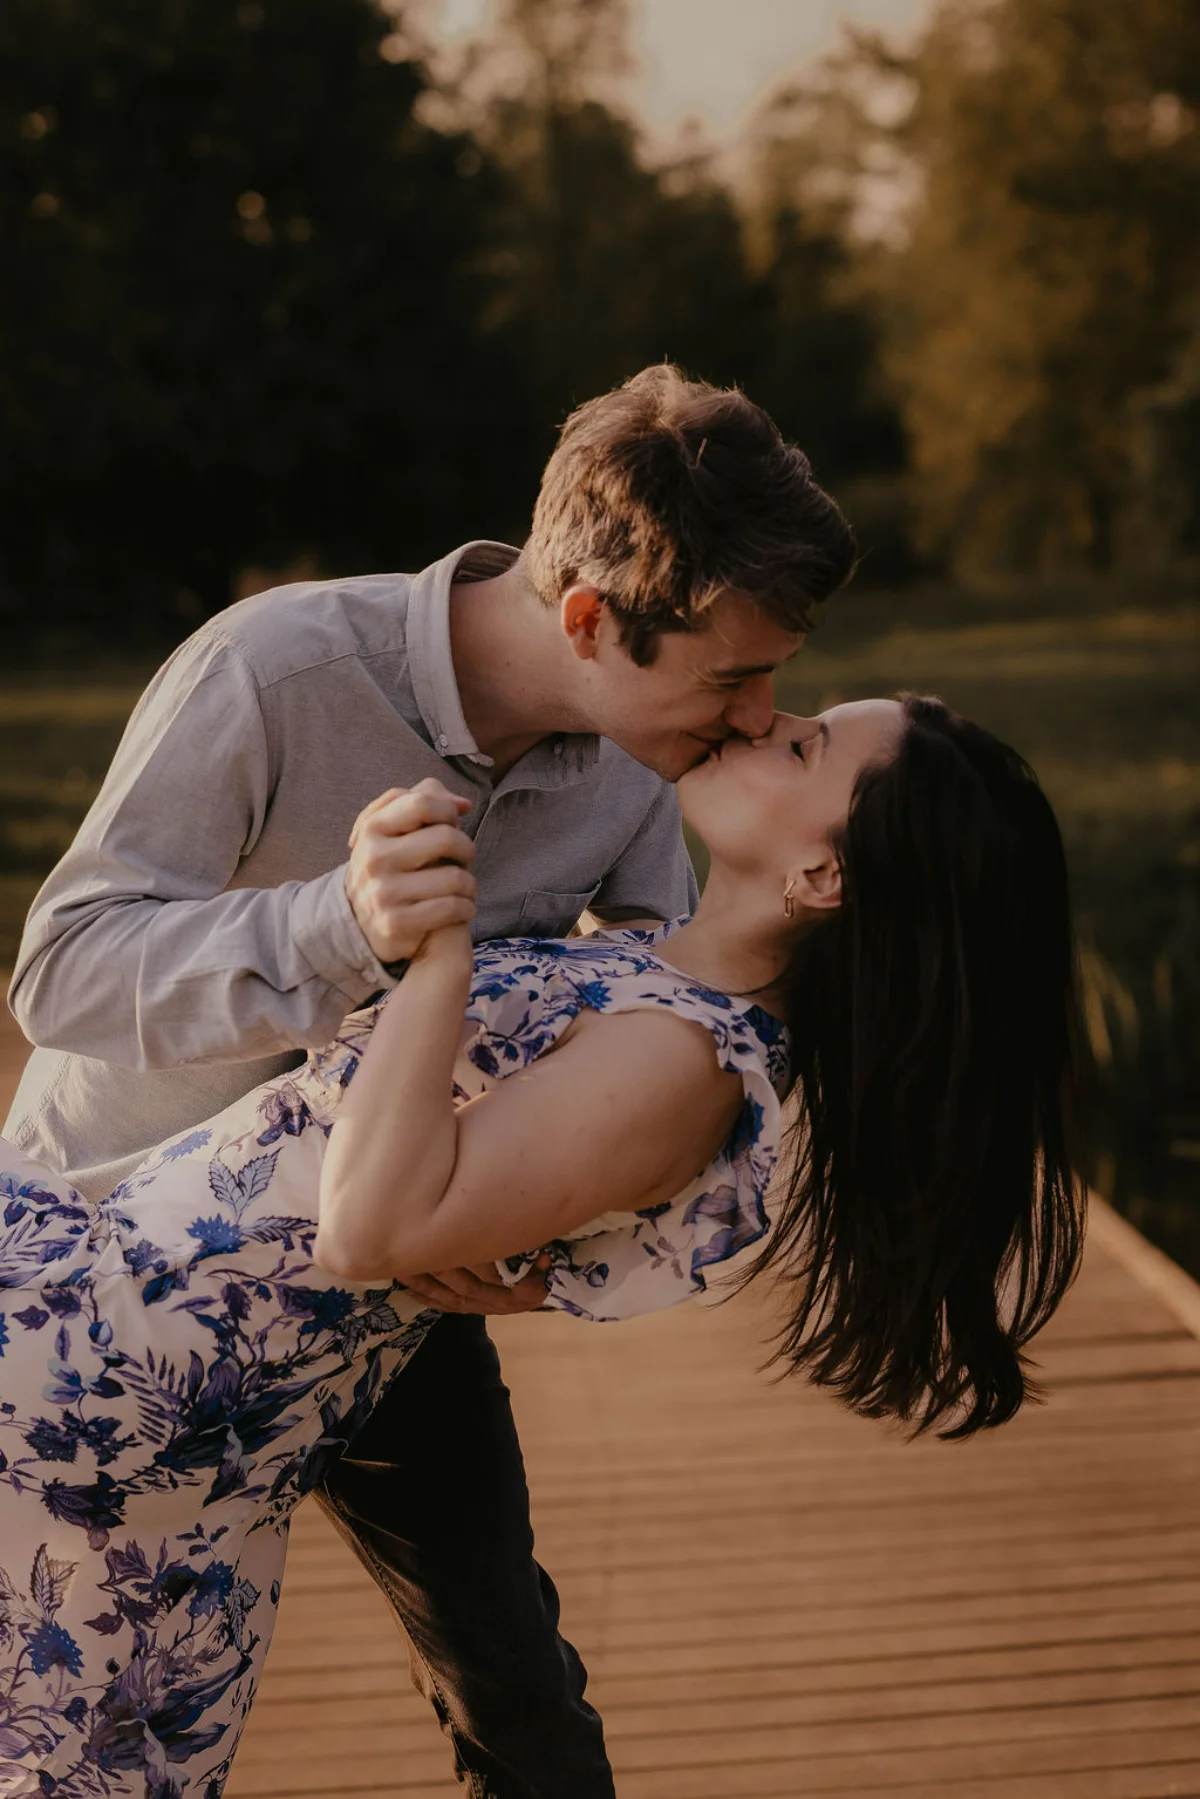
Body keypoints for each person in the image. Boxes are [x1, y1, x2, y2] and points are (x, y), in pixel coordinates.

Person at [3, 366, 856, 1797]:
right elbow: (59, 975)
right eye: (734, 677)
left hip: (385, 1299)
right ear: (590, 619)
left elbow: (627, 992)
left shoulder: (648, 753)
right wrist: (331, 924)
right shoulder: (273, 672)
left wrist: (536, 1235)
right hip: (104, 1293)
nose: (759, 713)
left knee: (518, 1687)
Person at [0, 693, 1085, 1798]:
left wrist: (438, 945)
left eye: (804, 746)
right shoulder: (664, 970)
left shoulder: (688, 1062)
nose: (766, 719)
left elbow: (369, 1226)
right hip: (99, 1314)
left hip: (109, 1381)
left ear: (823, 878)